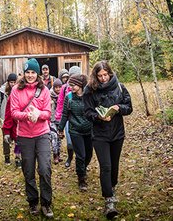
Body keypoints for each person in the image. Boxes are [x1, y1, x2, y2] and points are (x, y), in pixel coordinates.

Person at [83, 60, 132, 219]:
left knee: (114, 165)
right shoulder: (89, 90)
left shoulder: (119, 87)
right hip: (100, 135)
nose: (103, 78)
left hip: (117, 133)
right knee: (106, 166)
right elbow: (87, 112)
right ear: (95, 76)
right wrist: (98, 117)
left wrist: (118, 108)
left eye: (105, 75)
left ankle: (112, 186)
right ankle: (109, 200)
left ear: (110, 73)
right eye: (100, 76)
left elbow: (129, 107)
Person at [10, 58, 53, 218]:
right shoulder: (16, 90)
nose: (30, 75)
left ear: (38, 73)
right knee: (28, 171)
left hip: (42, 134)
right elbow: (14, 112)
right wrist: (28, 116)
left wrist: (39, 114)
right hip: (24, 136)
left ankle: (46, 203)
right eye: (27, 72)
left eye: (33, 72)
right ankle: (33, 202)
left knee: (44, 169)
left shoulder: (45, 90)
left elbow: (48, 113)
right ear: (24, 73)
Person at [58, 74, 92, 191]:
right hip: (75, 130)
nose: (70, 87)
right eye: (70, 85)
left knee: (88, 155)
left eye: (73, 85)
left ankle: (83, 168)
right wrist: (60, 128)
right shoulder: (69, 97)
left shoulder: (89, 96)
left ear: (81, 85)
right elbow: (65, 114)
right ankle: (81, 179)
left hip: (89, 130)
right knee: (80, 155)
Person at [55, 66, 81, 168]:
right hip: (68, 119)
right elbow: (60, 103)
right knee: (70, 142)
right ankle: (70, 158)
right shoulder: (64, 88)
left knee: (81, 143)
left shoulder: (85, 87)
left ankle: (81, 161)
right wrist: (59, 118)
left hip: (82, 119)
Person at [0, 73, 18, 164]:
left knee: (17, 138)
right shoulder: (2, 91)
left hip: (16, 118)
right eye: (11, 82)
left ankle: (17, 156)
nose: (12, 84)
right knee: (6, 138)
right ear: (8, 82)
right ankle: (7, 156)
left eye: (14, 82)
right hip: (4, 118)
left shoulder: (19, 90)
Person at [2, 94, 22, 168]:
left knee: (20, 143)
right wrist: (6, 130)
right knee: (17, 142)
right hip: (14, 123)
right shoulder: (13, 95)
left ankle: (20, 157)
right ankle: (17, 158)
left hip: (26, 124)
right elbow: (8, 113)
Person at [50, 78, 63, 164]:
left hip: (60, 119)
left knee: (59, 138)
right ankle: (55, 155)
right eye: (56, 87)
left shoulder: (63, 96)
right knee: (54, 136)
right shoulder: (49, 95)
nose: (58, 89)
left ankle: (58, 154)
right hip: (51, 119)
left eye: (59, 87)